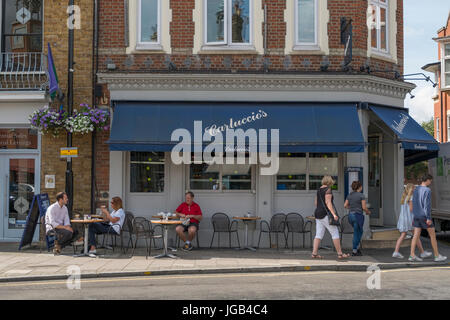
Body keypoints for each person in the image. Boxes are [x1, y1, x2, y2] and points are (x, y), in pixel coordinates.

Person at [409, 174, 447, 262]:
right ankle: (437, 256)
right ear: (428, 180)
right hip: (424, 216)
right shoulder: (427, 190)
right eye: (430, 181)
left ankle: (412, 255)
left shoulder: (416, 189)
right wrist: (429, 218)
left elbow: (414, 202)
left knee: (415, 236)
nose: (431, 182)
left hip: (417, 216)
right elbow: (427, 205)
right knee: (433, 236)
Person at [312, 176, 350, 260]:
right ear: (330, 182)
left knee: (318, 234)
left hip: (318, 213)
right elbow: (328, 203)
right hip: (325, 214)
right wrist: (334, 214)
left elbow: (316, 203)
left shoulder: (318, 190)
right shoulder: (328, 190)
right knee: (335, 233)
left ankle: (314, 253)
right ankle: (340, 254)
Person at [392, 183, 431, 259]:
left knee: (404, 235)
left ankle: (396, 252)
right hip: (410, 219)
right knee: (416, 235)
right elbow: (411, 209)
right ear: (411, 189)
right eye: (414, 188)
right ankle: (422, 253)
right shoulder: (411, 198)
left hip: (404, 218)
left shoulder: (404, 197)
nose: (415, 189)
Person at [344, 181, 371, 256]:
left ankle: (357, 248)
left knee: (358, 232)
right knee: (357, 233)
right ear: (360, 187)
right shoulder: (361, 195)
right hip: (358, 216)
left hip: (350, 216)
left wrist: (351, 207)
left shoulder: (350, 195)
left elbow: (345, 205)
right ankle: (354, 250)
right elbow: (364, 207)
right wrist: (368, 212)